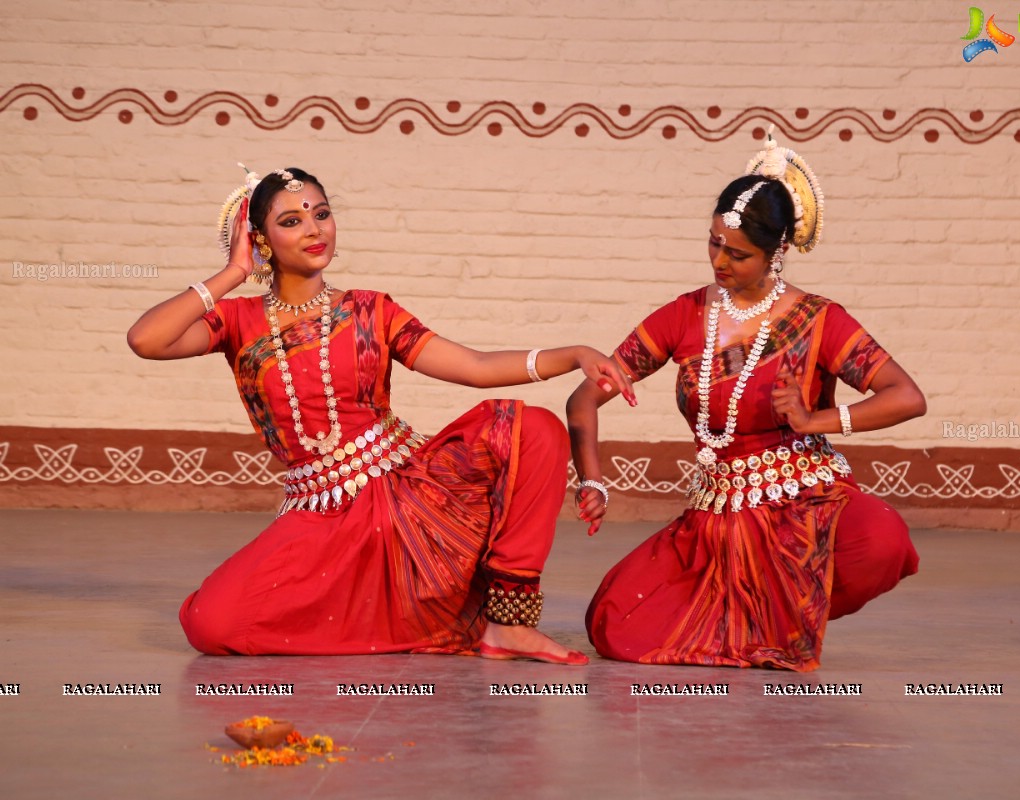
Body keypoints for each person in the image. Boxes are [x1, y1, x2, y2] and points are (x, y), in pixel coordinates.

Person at [127, 165, 635, 665]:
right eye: (291, 221)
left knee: (535, 427)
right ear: (260, 239)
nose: (313, 229)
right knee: (210, 624)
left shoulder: (372, 311)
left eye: (321, 214)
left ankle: (510, 624)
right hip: (317, 511)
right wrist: (234, 273)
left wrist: (571, 354)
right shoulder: (236, 322)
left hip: (405, 494)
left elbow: (474, 367)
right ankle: (413, 616)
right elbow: (146, 340)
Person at [567, 133, 925, 671]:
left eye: (738, 254)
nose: (719, 262)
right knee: (614, 622)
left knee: (881, 542)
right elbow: (584, 399)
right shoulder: (684, 316)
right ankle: (758, 616)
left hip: (799, 505)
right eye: (713, 243)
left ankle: (777, 611)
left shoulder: (819, 320)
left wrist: (816, 419)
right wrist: (591, 478)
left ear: (777, 252)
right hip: (717, 518)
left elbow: (907, 397)